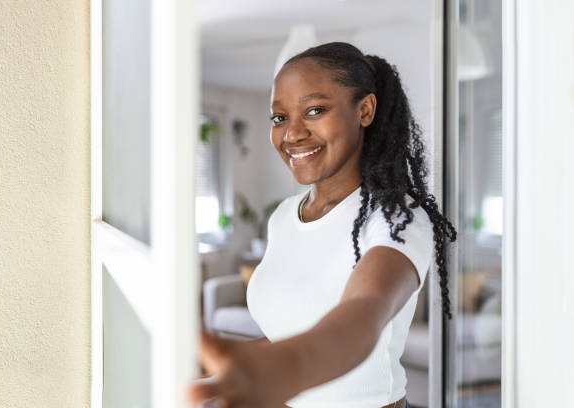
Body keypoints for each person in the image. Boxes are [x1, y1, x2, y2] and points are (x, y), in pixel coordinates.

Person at [186, 42, 457, 408]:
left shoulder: (396, 218)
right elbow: (296, 331)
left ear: (365, 110)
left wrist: (284, 368)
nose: (292, 133)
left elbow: (363, 314)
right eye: (279, 117)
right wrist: (218, 377)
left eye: (314, 110)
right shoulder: (283, 216)